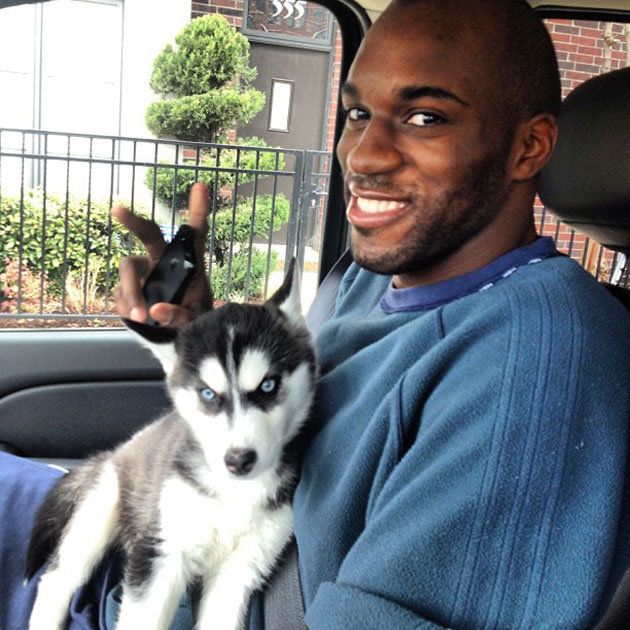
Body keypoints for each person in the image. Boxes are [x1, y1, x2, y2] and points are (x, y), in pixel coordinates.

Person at [1, 0, 629, 627]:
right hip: (161, 548)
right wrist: (201, 334)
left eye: (424, 116)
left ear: (530, 147)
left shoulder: (537, 365)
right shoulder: (370, 276)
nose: (361, 156)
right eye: (358, 113)